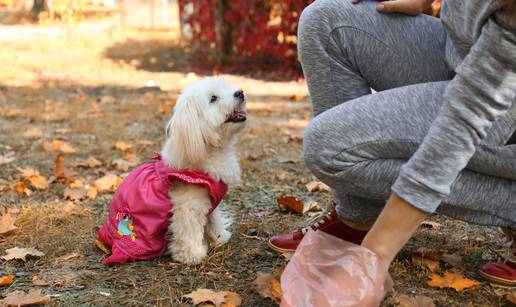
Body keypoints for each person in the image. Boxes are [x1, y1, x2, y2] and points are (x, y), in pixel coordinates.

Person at [269, 0, 516, 287]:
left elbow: (473, 109)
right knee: (324, 21)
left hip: (501, 98)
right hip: (463, 53)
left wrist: (377, 253)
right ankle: (358, 217)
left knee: (328, 147)